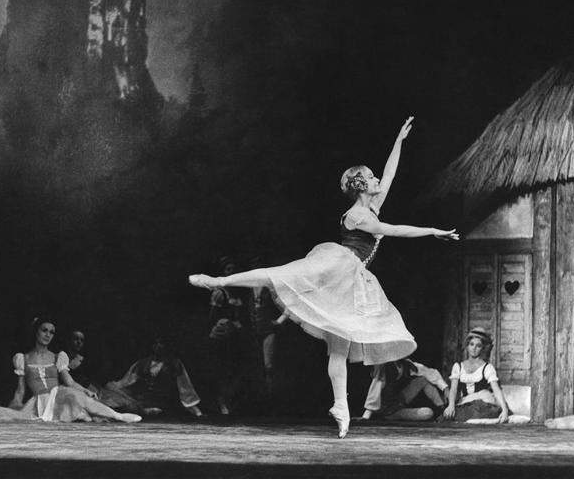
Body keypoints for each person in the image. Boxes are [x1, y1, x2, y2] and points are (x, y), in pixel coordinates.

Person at [189, 116, 459, 438]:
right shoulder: (358, 215)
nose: (377, 180)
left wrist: (398, 141)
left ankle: (341, 408)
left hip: (353, 280)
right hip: (337, 266)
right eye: (370, 177)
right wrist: (432, 230)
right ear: (361, 186)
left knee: (339, 346)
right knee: (279, 274)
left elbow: (389, 174)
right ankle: (218, 281)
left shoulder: (372, 205)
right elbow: (393, 230)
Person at [9, 318, 141, 423]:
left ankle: (118, 416)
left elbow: (70, 382)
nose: (48, 335)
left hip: (58, 396)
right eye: (44, 330)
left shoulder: (57, 357)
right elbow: (20, 390)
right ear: (36, 332)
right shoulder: (22, 358)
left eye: (51, 332)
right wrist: (15, 405)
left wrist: (85, 390)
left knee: (74, 395)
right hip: (38, 402)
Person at [104, 335, 203, 418]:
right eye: (156, 344)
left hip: (165, 401)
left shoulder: (175, 364)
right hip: (144, 400)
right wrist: (112, 386)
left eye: (162, 344)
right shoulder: (142, 363)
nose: (158, 346)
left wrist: (194, 409)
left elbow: (184, 387)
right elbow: (127, 381)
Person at [206, 256, 249, 415]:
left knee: (234, 368)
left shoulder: (238, 294)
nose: (231, 273)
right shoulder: (220, 293)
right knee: (222, 368)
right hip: (222, 334)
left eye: (234, 270)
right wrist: (222, 324)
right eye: (228, 270)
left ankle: (229, 400)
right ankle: (221, 401)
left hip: (235, 334)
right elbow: (212, 316)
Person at [441, 327, 509, 423]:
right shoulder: (458, 366)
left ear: (482, 348)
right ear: (467, 346)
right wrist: (451, 405)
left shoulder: (487, 367)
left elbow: (496, 389)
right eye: (471, 344)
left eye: (478, 346)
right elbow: (453, 389)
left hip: (484, 403)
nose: (474, 348)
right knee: (447, 416)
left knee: (476, 410)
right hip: (466, 403)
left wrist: (505, 409)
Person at [249, 254, 288, 402]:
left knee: (269, 366)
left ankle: (272, 398)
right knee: (256, 365)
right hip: (253, 330)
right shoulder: (249, 287)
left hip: (268, 330)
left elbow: (288, 306)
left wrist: (279, 321)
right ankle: (260, 398)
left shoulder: (271, 286)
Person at [359, 357, 447, 421]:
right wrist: (367, 413)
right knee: (427, 413)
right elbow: (376, 387)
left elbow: (429, 373)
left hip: (398, 401)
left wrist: (445, 389)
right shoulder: (384, 366)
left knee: (422, 380)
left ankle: (442, 410)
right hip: (386, 410)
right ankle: (386, 416)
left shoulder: (407, 363)